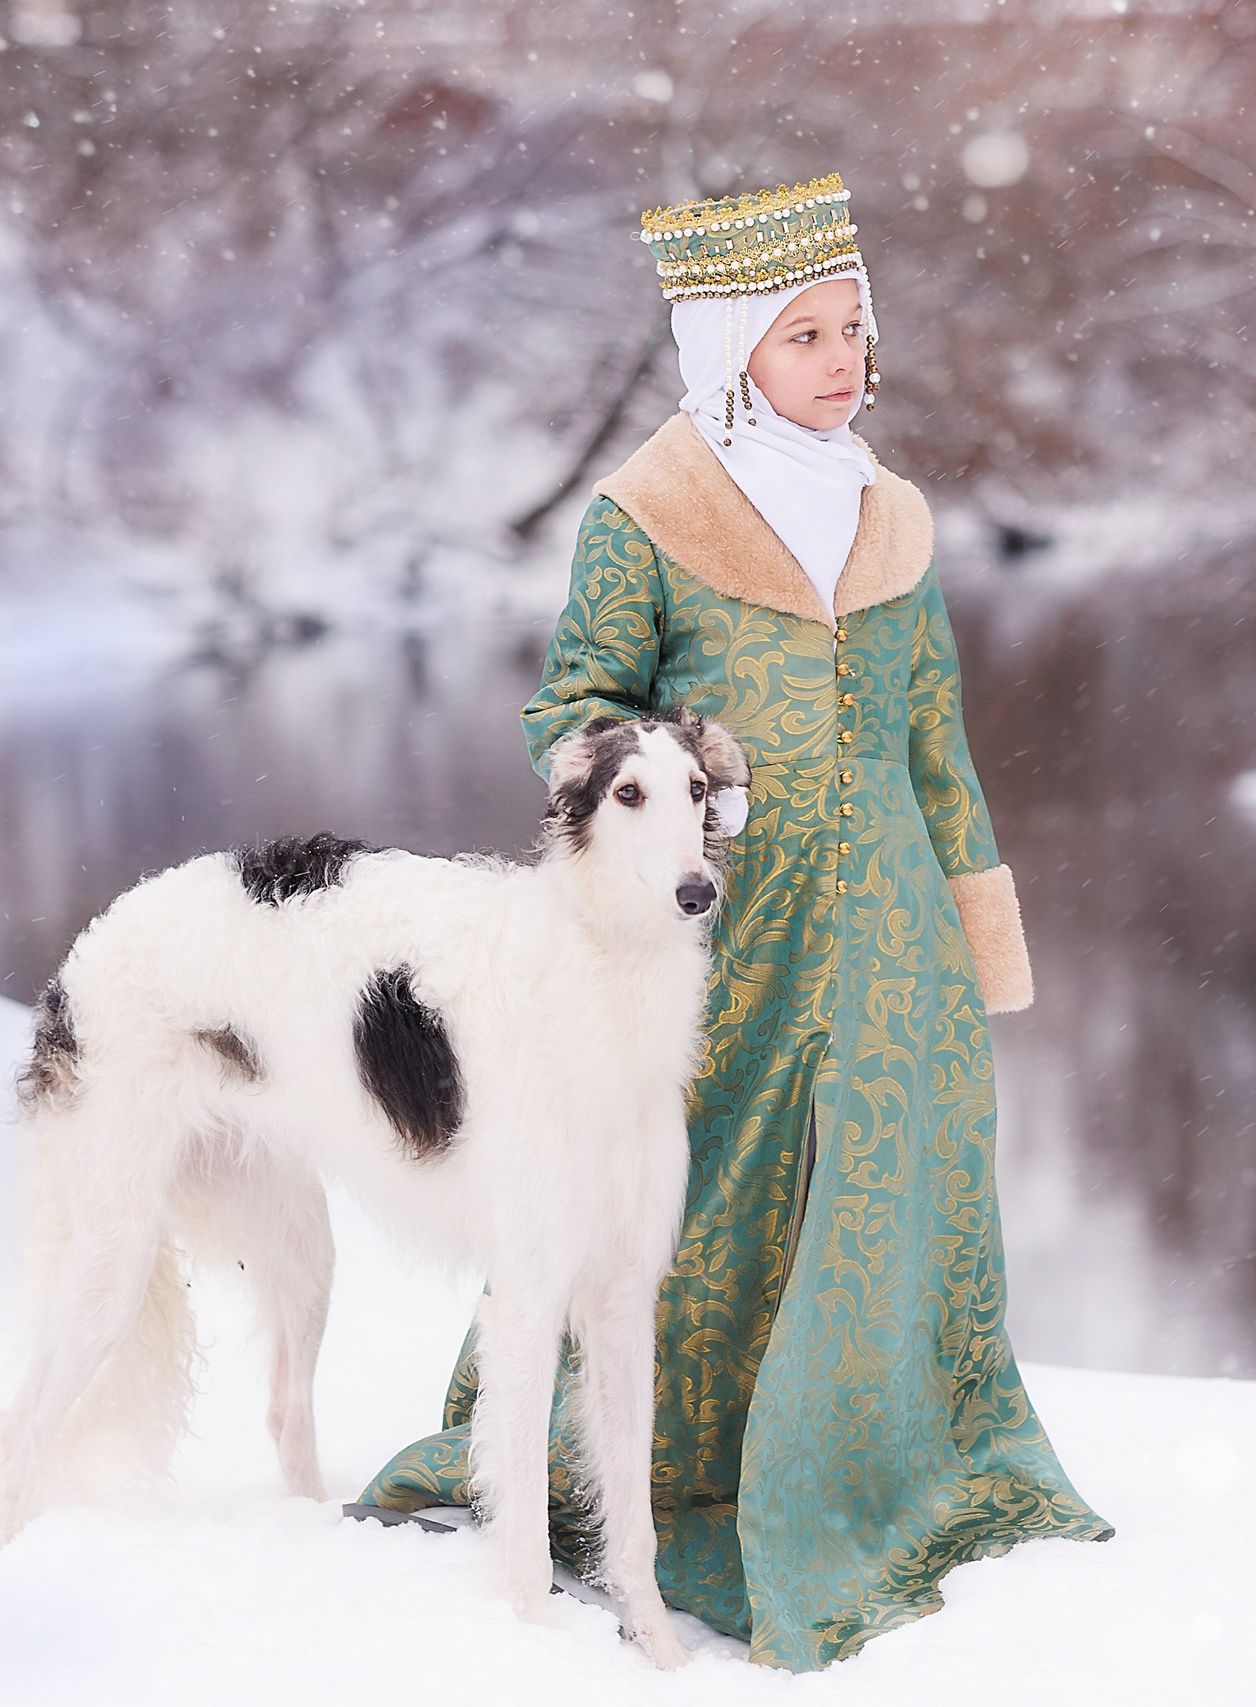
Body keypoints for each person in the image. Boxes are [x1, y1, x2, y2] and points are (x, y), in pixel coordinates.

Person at [354, 173, 1108, 1671]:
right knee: (696, 1205)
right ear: (726, 356)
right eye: (802, 337)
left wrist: (976, 934)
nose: (841, 362)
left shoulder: (892, 515)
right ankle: (666, 1473)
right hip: (717, 938)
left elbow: (935, 745)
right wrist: (678, 796)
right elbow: (573, 709)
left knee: (899, 1184)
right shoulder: (648, 514)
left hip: (892, 936)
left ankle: (881, 1465)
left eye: (853, 331)